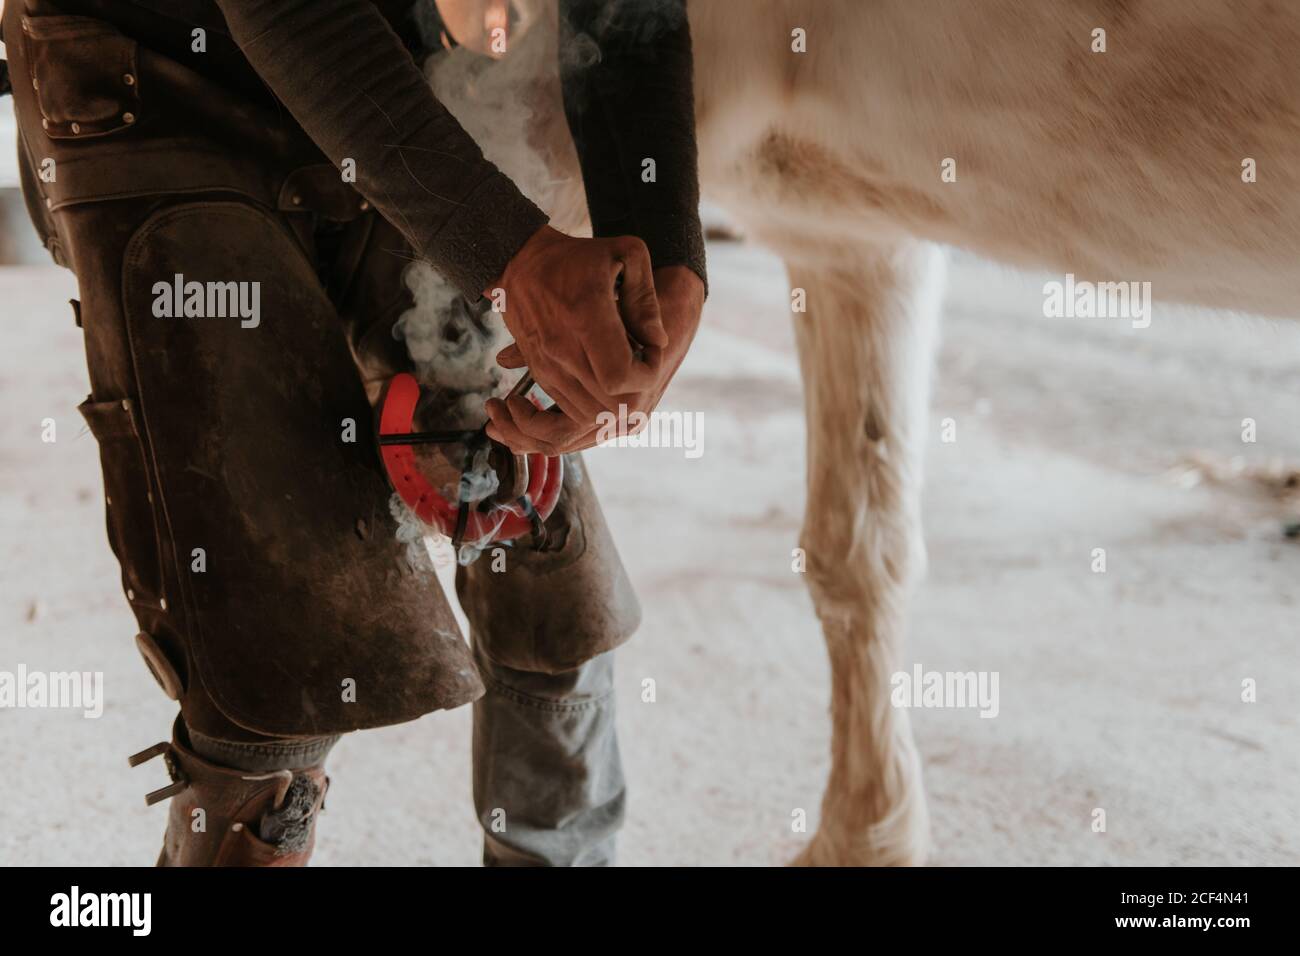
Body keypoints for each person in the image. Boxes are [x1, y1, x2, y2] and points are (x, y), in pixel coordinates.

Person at [0, 0, 705, 865]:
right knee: (274, 660)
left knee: (534, 547)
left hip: (387, 69)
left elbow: (630, 13)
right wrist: (513, 258)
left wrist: (670, 258)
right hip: (155, 75)